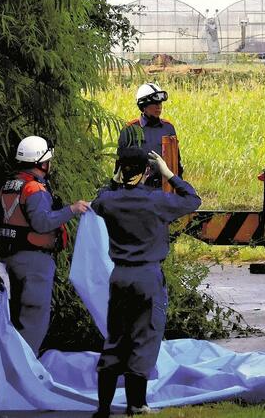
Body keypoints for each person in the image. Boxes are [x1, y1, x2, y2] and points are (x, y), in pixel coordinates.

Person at [91, 147, 201, 417]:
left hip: (120, 275)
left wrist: (117, 180)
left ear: (119, 170)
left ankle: (103, 407)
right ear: (147, 172)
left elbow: (98, 201)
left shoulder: (110, 201)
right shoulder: (156, 201)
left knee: (116, 337)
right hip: (147, 276)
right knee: (145, 337)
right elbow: (192, 199)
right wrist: (169, 174)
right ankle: (136, 405)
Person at [0, 135, 89, 353]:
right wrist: (72, 210)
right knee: (34, 321)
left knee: (16, 317)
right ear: (42, 162)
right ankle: (24, 375)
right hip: (34, 263)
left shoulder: (8, 186)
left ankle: (10, 370)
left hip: (10, 258)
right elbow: (42, 222)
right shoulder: (34, 189)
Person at [118, 82, 182, 189]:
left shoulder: (168, 128)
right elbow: (120, 167)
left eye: (160, 103)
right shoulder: (129, 129)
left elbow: (177, 164)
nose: (159, 107)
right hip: (139, 193)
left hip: (165, 191)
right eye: (154, 103)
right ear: (143, 106)